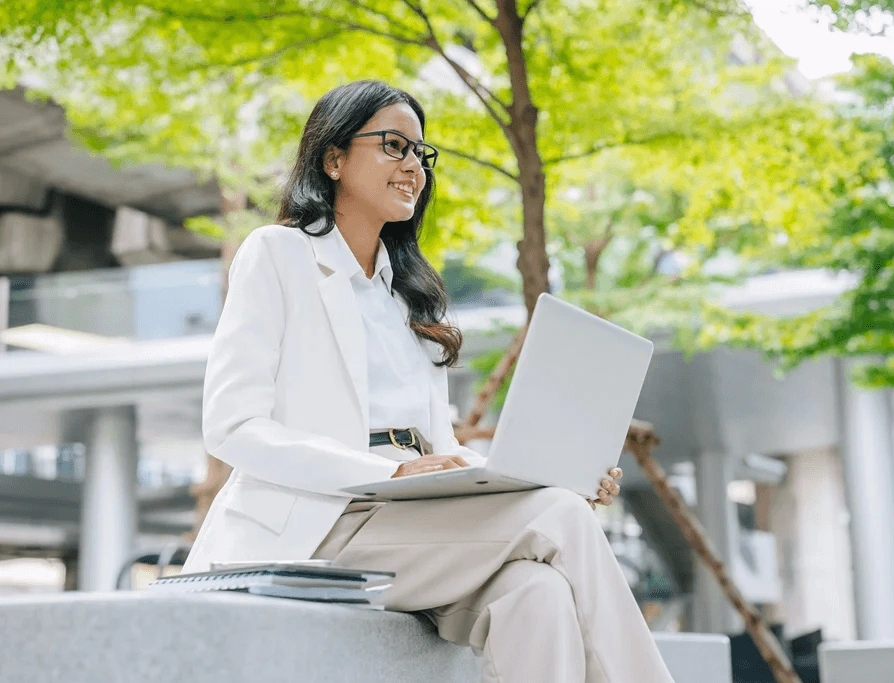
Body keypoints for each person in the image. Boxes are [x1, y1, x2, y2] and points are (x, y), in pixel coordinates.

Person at [182, 79, 674, 683]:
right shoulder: (277, 255)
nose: (414, 165)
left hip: (414, 524)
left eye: (421, 153)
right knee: (561, 519)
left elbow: (439, 451)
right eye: (394, 145)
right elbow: (232, 427)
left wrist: (550, 472)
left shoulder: (410, 297)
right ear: (333, 159)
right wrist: (389, 471)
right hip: (317, 526)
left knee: (536, 591)